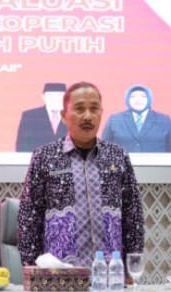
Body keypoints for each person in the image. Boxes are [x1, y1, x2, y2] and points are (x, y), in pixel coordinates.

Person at [17, 81, 145, 268]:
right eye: (79, 109)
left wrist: (131, 270)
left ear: (101, 113)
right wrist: (32, 271)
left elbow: (133, 217)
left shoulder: (117, 157)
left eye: (94, 109)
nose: (87, 116)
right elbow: (29, 220)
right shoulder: (44, 157)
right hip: (59, 276)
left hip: (110, 275)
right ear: (64, 115)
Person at [101, 84, 171, 153]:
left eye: (143, 96)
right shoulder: (115, 120)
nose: (138, 100)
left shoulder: (164, 120)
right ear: (127, 99)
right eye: (133, 97)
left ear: (149, 99)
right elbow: (104, 148)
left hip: (156, 161)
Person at [15, 82, 68, 152]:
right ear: (43, 97)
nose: (55, 98)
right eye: (50, 95)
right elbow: (22, 145)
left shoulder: (74, 116)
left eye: (59, 95)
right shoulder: (30, 116)